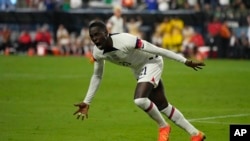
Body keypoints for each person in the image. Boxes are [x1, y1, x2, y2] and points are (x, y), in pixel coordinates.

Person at [73, 20, 206, 141]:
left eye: (97, 35)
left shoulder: (125, 40)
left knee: (140, 99)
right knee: (163, 106)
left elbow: (157, 50)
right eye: (92, 37)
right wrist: (87, 101)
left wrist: (184, 61)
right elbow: (97, 76)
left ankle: (163, 127)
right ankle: (195, 134)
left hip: (152, 62)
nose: (95, 39)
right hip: (138, 70)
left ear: (106, 32)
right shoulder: (97, 52)